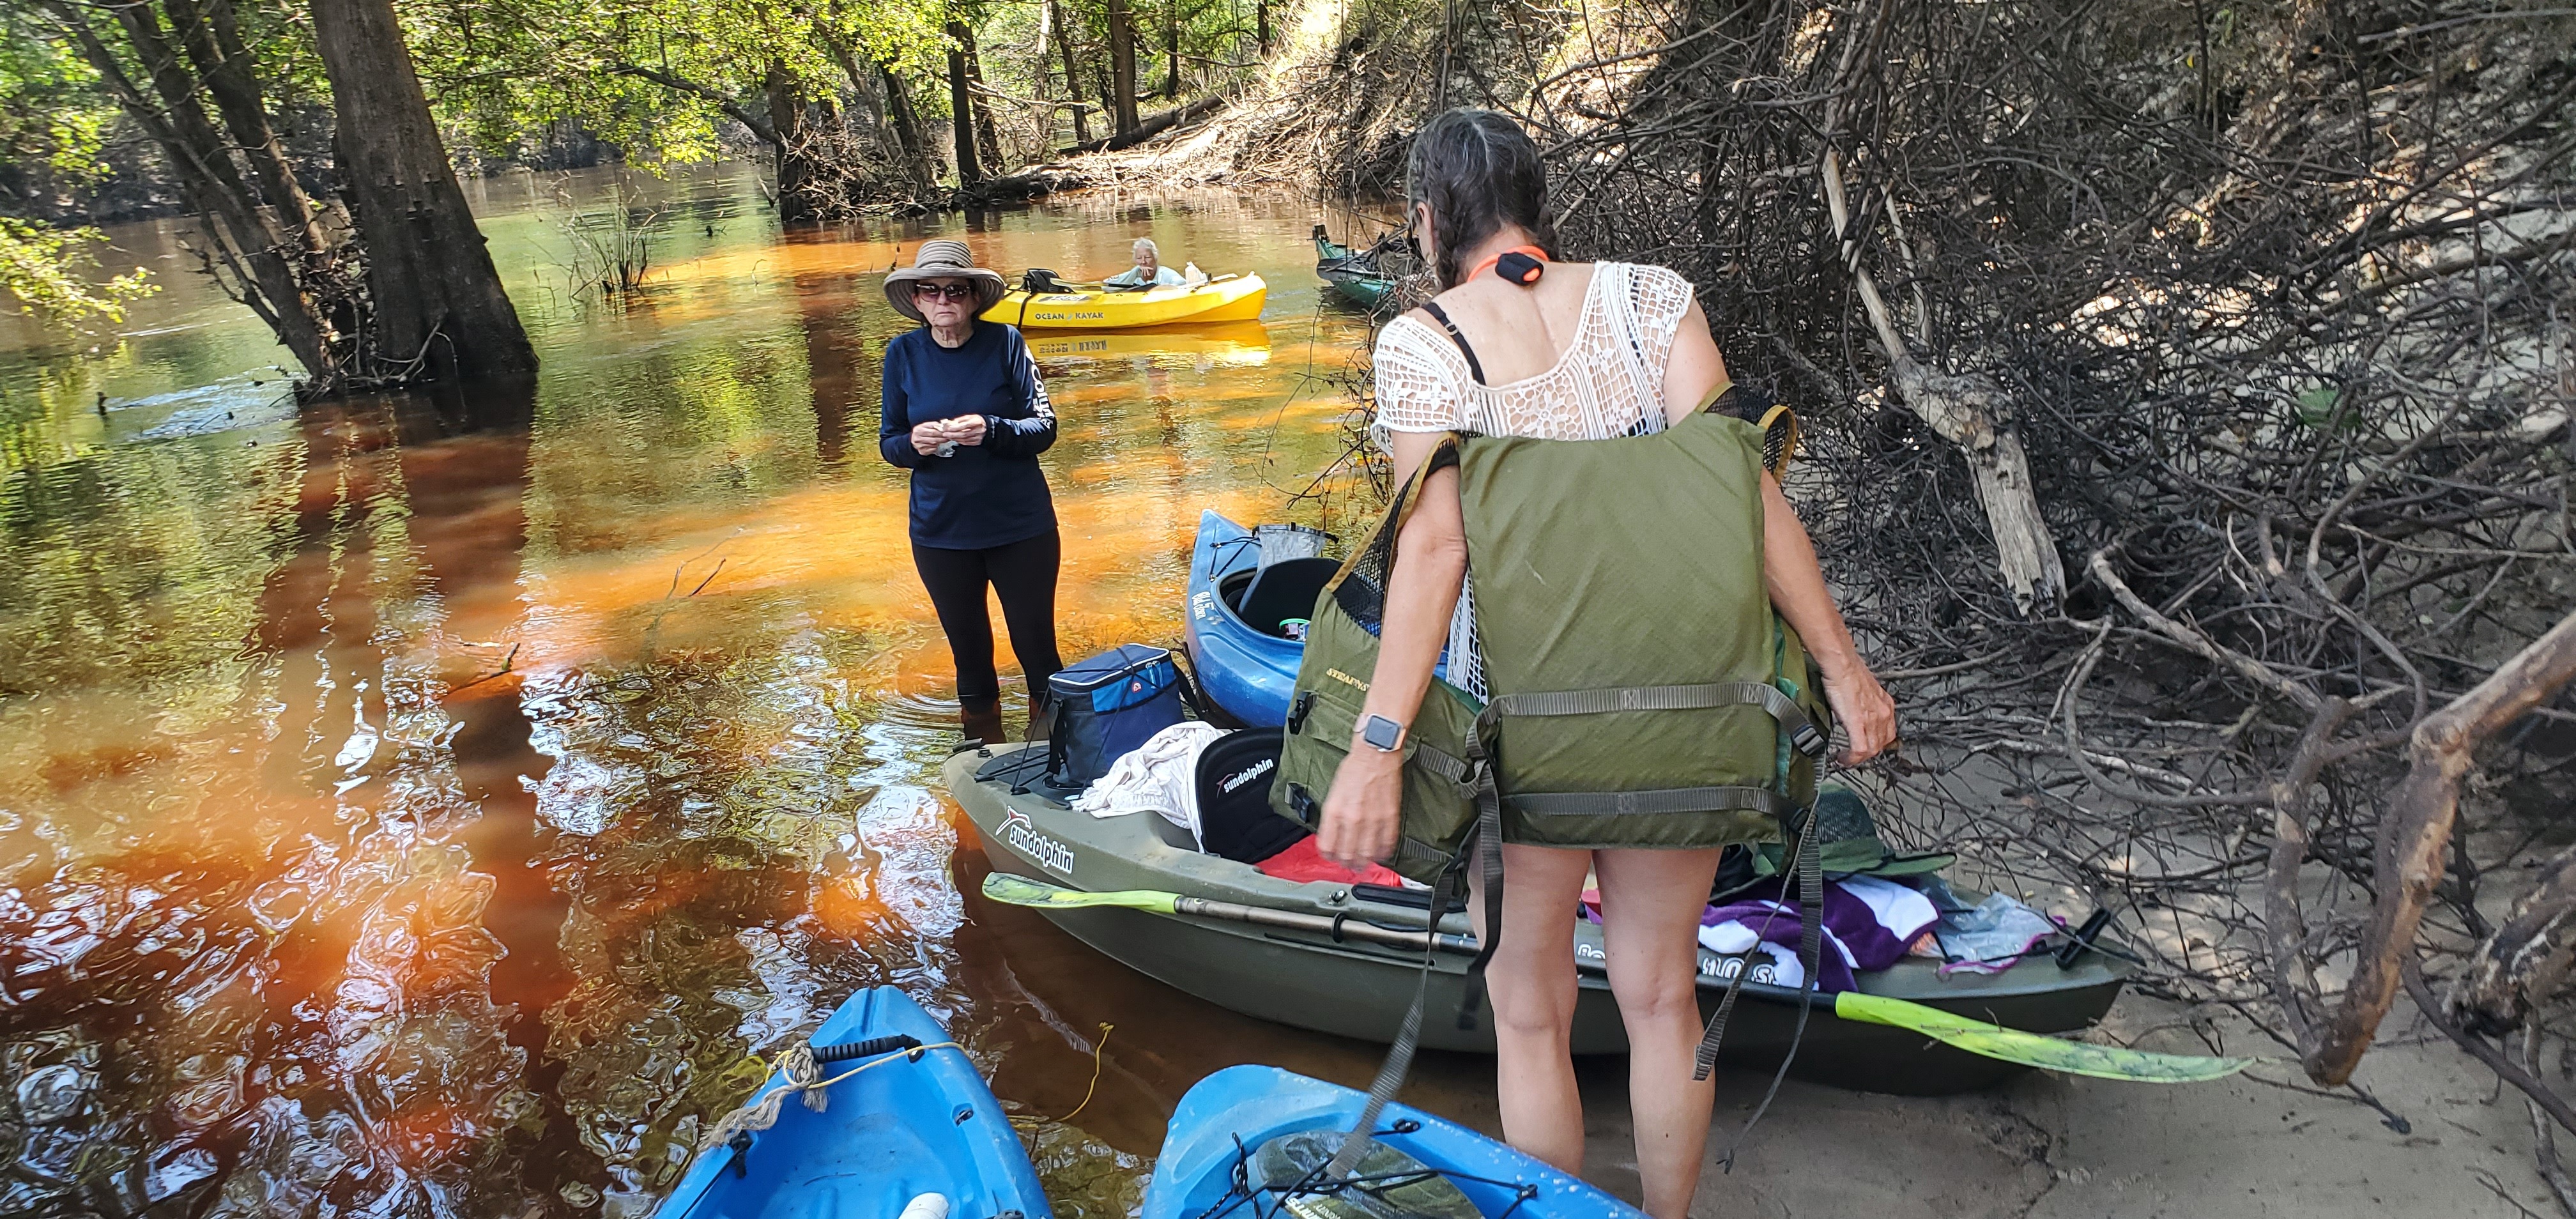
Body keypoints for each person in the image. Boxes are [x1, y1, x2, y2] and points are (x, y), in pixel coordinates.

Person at [1312, 110, 1899, 1219]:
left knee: (1528, 1009)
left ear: (1431, 219)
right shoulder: (1652, 297)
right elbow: (1746, 495)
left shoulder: (1420, 341)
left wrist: (1377, 743)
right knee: (1661, 998)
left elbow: (1434, 549)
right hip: (1684, 707)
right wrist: (1842, 669)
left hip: (1519, 726)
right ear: (1538, 198)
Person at [878, 240, 1065, 746]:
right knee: (970, 655)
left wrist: (993, 428)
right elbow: (889, 443)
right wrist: (913, 444)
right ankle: (983, 756)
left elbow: (1044, 429)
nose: (944, 300)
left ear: (973, 298)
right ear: (916, 300)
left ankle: (1055, 756)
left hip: (1020, 526)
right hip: (940, 532)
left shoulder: (1006, 343)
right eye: (931, 290)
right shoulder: (902, 354)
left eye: (955, 290)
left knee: (1036, 648)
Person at [1102, 237, 1185, 289]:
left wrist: (1154, 289)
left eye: (1147, 257)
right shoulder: (1134, 274)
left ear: (1155, 258)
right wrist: (1134, 273)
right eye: (1139, 258)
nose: (1143, 262)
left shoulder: (1165, 274)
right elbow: (1106, 286)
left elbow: (1182, 283)